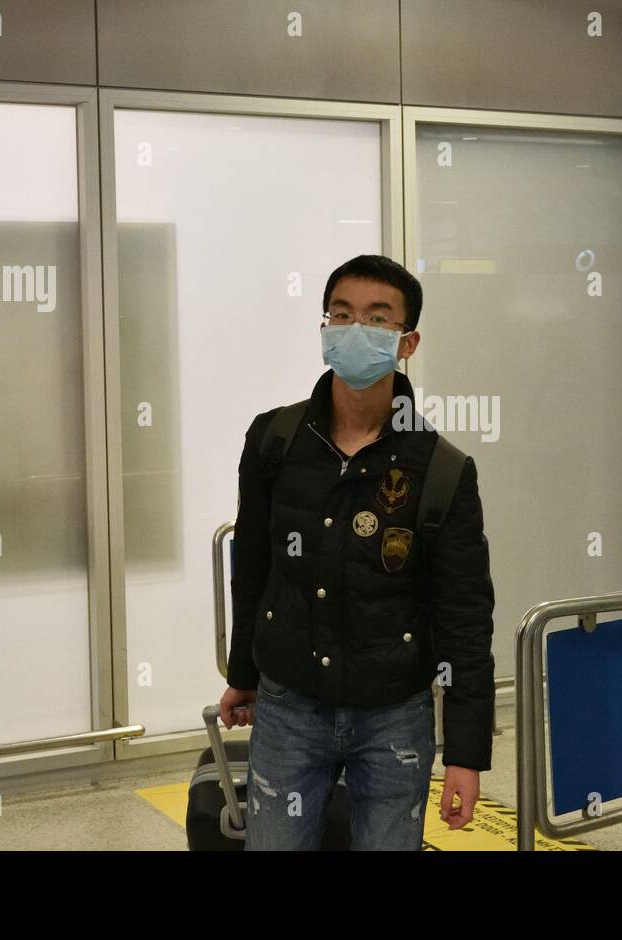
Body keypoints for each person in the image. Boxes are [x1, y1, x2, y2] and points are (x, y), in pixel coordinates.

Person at [219, 254, 496, 850]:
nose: (355, 330)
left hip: (394, 715)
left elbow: (464, 616)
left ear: (407, 341)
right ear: (324, 330)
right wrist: (243, 673)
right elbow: (255, 570)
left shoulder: (441, 470)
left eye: (376, 319)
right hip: (289, 705)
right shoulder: (276, 441)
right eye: (341, 315)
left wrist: (467, 755)